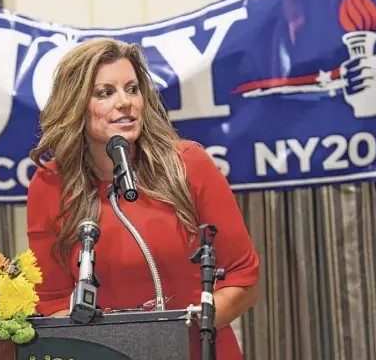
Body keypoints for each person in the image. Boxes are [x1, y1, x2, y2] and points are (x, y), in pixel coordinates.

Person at [26, 37, 259, 360]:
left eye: (132, 89)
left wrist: (178, 333)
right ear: (76, 104)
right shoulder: (51, 183)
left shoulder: (188, 164)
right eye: (106, 93)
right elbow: (50, 300)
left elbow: (242, 277)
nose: (125, 102)